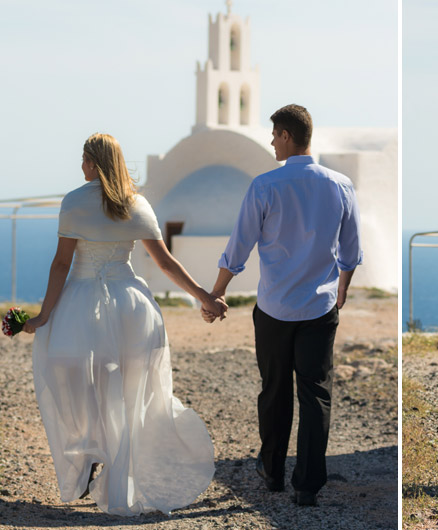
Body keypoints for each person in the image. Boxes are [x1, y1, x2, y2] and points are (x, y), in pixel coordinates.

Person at [22, 133, 225, 515]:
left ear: (94, 162)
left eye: (83, 159)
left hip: (83, 305)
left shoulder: (74, 202)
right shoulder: (137, 204)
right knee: (128, 397)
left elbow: (61, 265)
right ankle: (117, 479)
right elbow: (165, 263)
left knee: (74, 379)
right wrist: (205, 297)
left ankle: (90, 451)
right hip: (133, 306)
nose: (80, 167)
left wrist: (44, 315)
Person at [202, 104, 362, 507]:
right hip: (320, 309)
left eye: (274, 135)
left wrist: (216, 293)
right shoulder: (341, 185)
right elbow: (351, 251)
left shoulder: (265, 186)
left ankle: (272, 471)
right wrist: (342, 288)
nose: (272, 141)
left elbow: (238, 248)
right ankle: (307, 485)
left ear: (287, 135)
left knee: (274, 391)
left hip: (274, 309)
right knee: (316, 395)